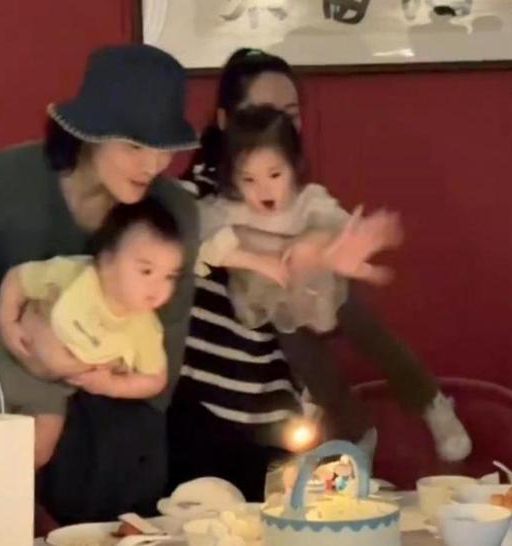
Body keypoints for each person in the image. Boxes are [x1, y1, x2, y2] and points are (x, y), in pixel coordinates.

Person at [168, 48, 471, 501]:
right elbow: (207, 239)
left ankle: (425, 403)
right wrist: (288, 253)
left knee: (355, 320)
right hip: (208, 425)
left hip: (277, 428)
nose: (277, 127)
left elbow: (331, 224)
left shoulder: (301, 196)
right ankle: (359, 428)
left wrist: (326, 247)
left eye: (290, 115)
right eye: (261, 113)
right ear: (226, 120)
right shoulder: (190, 200)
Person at [0, 44, 199, 524]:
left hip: (118, 452)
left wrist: (93, 377)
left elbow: (160, 370)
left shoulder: (174, 212)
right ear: (88, 133)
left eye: (165, 148)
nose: (154, 164)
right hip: (9, 427)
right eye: (135, 146)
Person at [0, 198, 183, 469]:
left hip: (51, 390)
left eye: (169, 276)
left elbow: (155, 379)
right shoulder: (73, 276)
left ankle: (12, 483)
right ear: (107, 260)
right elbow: (18, 279)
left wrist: (112, 385)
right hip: (2, 361)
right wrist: (8, 322)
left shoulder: (144, 328)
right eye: (147, 271)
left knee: (40, 450)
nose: (159, 287)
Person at [195, 104, 401, 335]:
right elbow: (202, 246)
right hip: (263, 306)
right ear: (232, 177)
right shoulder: (229, 209)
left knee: (365, 329)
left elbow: (335, 226)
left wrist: (322, 242)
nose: (264, 190)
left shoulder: (309, 200)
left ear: (294, 167)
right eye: (248, 180)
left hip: (318, 296)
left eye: (275, 175)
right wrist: (256, 261)